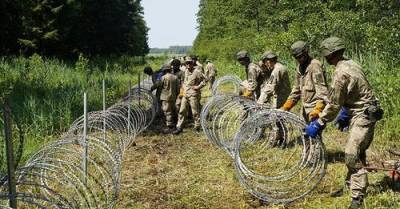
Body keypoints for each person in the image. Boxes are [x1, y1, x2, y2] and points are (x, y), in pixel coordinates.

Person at [305, 37, 383, 209]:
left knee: (351, 154)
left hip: (363, 115)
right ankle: (351, 187)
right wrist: (346, 112)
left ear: (329, 54)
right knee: (357, 152)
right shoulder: (351, 63)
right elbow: (356, 91)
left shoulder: (340, 73)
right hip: (362, 111)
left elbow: (334, 103)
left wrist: (319, 122)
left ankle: (357, 199)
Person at [281, 41, 329, 124]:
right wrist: (286, 106)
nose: (299, 59)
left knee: (314, 135)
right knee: (304, 133)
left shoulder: (315, 65)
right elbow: (296, 90)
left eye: (300, 56)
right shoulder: (299, 67)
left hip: (314, 108)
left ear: (306, 53)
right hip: (304, 109)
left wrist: (318, 109)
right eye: (296, 57)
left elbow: (322, 91)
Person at [173, 57, 206, 134]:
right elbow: (183, 81)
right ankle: (179, 127)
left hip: (193, 95)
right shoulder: (185, 71)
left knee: (195, 112)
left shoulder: (197, 72)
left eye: (189, 63)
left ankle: (197, 127)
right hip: (185, 94)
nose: (188, 64)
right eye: (186, 63)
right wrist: (182, 90)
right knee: (182, 111)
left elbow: (205, 79)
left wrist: (198, 87)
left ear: (192, 64)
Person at [151, 64, 179, 133]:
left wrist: (151, 89)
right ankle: (175, 123)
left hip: (165, 97)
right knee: (173, 110)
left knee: (167, 112)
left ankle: (170, 126)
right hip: (173, 97)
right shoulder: (175, 77)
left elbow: (157, 85)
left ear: (165, 70)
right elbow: (178, 88)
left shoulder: (163, 78)